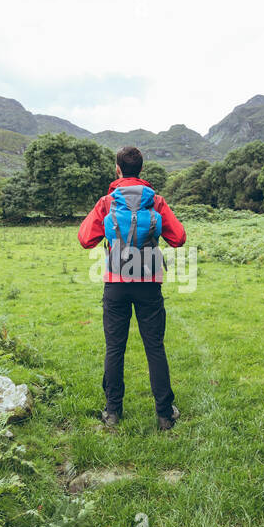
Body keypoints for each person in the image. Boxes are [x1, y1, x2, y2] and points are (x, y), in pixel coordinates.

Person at [78, 145, 186, 430]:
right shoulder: (156, 201)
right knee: (155, 348)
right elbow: (180, 238)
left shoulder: (107, 202)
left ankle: (113, 412)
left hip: (116, 283)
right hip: (149, 282)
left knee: (115, 348)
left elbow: (85, 239)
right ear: (141, 169)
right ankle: (164, 414)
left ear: (117, 169)